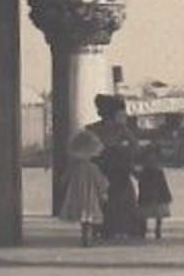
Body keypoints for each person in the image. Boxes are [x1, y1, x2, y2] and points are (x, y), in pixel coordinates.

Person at [89, 94, 140, 241]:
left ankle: (103, 227)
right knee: (122, 199)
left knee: (104, 199)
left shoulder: (93, 129)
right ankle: (122, 227)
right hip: (118, 170)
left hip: (103, 169)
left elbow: (88, 149)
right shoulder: (122, 130)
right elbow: (134, 147)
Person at [60, 128, 109, 247]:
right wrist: (103, 191)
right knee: (89, 216)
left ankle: (84, 236)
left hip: (77, 194)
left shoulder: (74, 167)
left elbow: (64, 179)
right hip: (90, 194)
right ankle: (87, 237)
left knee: (83, 217)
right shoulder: (93, 167)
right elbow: (100, 181)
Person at [135, 147, 173, 241]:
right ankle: (144, 229)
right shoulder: (146, 172)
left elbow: (163, 184)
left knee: (155, 214)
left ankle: (156, 229)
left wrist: (166, 196)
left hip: (155, 195)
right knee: (145, 214)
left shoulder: (156, 172)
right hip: (149, 195)